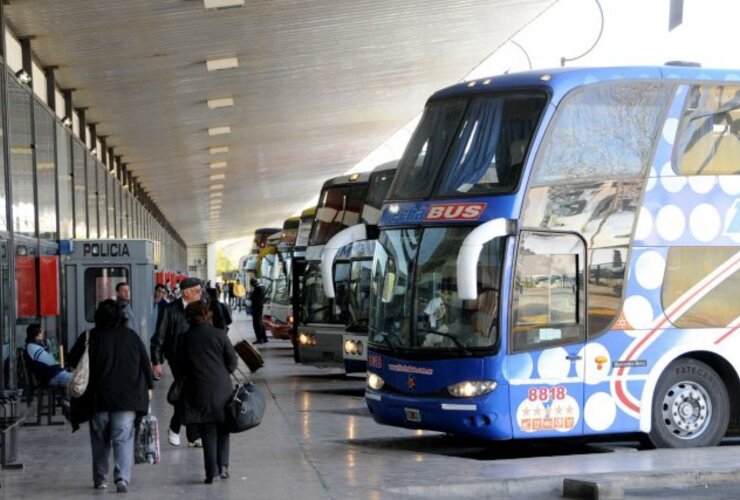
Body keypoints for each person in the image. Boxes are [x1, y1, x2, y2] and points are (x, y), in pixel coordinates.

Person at [67, 300, 153, 493]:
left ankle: (100, 480)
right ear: (120, 317)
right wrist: (149, 386)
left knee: (100, 440)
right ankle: (122, 478)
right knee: (123, 438)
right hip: (127, 398)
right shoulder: (131, 336)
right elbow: (145, 363)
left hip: (98, 399)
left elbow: (72, 360)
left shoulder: (89, 337)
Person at [176, 302, 238, 484]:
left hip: (197, 388)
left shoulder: (184, 339)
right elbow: (232, 362)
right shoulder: (220, 334)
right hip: (221, 387)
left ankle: (211, 472)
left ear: (188, 317)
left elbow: (179, 366)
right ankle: (224, 467)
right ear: (208, 315)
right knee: (223, 428)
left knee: (207, 430)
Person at [150, 277, 203, 447]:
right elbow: (158, 337)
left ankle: (188, 434)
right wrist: (157, 361)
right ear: (186, 292)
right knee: (188, 390)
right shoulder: (170, 310)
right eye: (197, 291)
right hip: (177, 357)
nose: (200, 293)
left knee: (191, 393)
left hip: (198, 356)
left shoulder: (202, 307)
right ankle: (180, 430)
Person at [249, 278, 268, 344]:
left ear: (252, 283)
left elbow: (253, 298)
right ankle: (264, 338)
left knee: (256, 323)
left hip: (256, 308)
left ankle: (259, 339)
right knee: (260, 322)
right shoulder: (262, 287)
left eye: (251, 284)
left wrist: (251, 294)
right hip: (260, 307)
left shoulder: (257, 289)